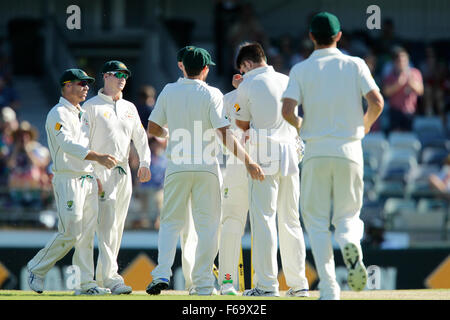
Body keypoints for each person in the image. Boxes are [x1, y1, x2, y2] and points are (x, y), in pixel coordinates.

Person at [281, 12, 384, 300]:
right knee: (348, 216)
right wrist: (363, 127)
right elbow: (377, 102)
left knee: (315, 221)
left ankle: (329, 288)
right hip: (350, 148)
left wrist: (303, 127)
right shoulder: (355, 64)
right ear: (339, 36)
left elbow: (288, 111)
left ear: (311, 37)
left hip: (315, 150)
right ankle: (351, 241)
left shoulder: (300, 69)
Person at [145, 47, 264, 296]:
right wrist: (248, 160)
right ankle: (202, 283)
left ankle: (161, 273)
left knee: (170, 223)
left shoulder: (168, 90)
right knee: (208, 227)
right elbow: (224, 134)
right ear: (206, 69)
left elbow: (153, 128)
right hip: (207, 167)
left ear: (183, 66)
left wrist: (168, 134)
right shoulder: (212, 93)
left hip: (176, 166)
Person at [27, 68, 118, 295]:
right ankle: (36, 268)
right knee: (71, 230)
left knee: (86, 235)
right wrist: (97, 157)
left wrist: (94, 173)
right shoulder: (57, 113)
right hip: (67, 179)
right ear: (67, 85)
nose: (86, 87)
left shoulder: (82, 113)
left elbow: (84, 143)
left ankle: (86, 284)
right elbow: (68, 145)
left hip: (87, 179)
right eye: (81, 83)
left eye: (87, 84)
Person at [233, 42, 309, 297]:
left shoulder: (247, 84)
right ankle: (299, 285)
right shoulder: (287, 80)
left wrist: (240, 89)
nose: (242, 74)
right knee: (290, 220)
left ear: (247, 64)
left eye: (242, 70)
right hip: (290, 152)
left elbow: (241, 125)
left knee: (264, 220)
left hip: (264, 154)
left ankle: (267, 286)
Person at [82, 60, 151, 295]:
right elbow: (83, 145)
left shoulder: (130, 107)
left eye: (125, 75)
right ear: (105, 76)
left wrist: (144, 162)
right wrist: (92, 172)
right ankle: (112, 278)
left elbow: (141, 137)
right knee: (107, 225)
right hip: (100, 170)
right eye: (118, 74)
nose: (123, 78)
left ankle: (103, 277)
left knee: (117, 226)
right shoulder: (90, 107)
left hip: (123, 171)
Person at [217, 73, 249, 295]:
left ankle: (267, 284)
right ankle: (227, 280)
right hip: (239, 165)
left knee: (267, 223)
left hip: (262, 163)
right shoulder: (228, 99)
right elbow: (220, 134)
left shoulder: (275, 90)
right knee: (231, 222)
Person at [382, 46, 424, 132]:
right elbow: (386, 92)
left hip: (410, 112)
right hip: (395, 112)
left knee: (408, 138)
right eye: (399, 61)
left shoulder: (415, 73)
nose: (402, 63)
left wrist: (411, 82)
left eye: (404, 60)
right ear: (395, 62)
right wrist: (399, 83)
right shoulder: (390, 75)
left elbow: (421, 91)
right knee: (395, 138)